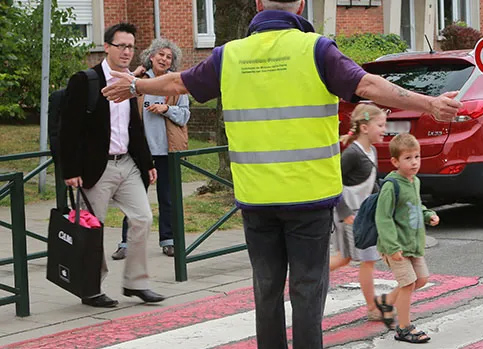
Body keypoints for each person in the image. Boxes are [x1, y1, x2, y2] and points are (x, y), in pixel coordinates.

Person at [101, 1, 461, 347]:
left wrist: (136, 85)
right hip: (309, 198)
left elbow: (179, 83)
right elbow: (368, 86)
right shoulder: (318, 50)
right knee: (307, 291)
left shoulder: (230, 55)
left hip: (257, 198)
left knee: (267, 289)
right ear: (301, 6)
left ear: (259, 5)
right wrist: (429, 103)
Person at [59, 23, 164, 308]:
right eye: (122, 46)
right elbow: (68, 129)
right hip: (96, 168)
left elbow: (133, 125)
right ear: (107, 47)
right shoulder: (86, 80)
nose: (127, 52)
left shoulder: (131, 81)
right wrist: (70, 171)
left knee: (143, 218)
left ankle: (136, 283)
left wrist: (147, 162)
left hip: (127, 164)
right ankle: (91, 287)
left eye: (131, 47)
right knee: (93, 229)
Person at [113, 38, 190, 260]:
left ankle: (169, 241)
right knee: (133, 199)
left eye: (169, 57)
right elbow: (118, 105)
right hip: (140, 152)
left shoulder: (177, 84)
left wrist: (167, 109)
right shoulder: (138, 81)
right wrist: (136, 74)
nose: (165, 59)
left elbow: (185, 115)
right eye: (161, 55)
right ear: (151, 57)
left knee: (167, 198)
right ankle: (126, 244)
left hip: (167, 150)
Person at [328, 104, 391, 326]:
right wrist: (344, 212)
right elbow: (334, 181)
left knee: (359, 259)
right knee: (364, 259)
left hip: (362, 215)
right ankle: (373, 308)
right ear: (364, 127)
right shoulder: (353, 154)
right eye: (380, 125)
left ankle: (309, 273)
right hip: (349, 215)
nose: (385, 129)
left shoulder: (371, 151)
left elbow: (370, 183)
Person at [375, 133, 439, 343]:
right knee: (408, 284)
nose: (414, 162)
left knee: (421, 280)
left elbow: (415, 205)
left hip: (413, 244)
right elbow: (383, 218)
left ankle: (387, 301)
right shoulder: (391, 185)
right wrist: (392, 247)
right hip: (395, 246)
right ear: (395, 161)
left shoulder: (415, 181)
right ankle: (403, 328)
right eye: (408, 158)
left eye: (417, 157)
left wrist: (427, 214)